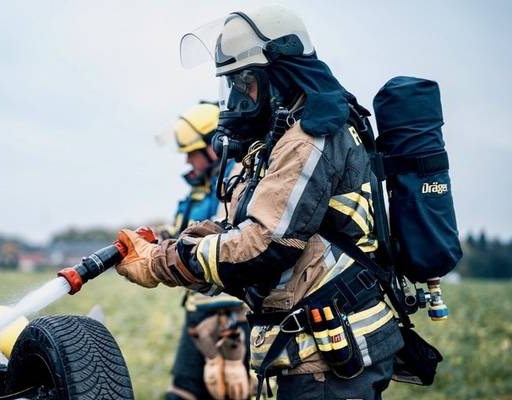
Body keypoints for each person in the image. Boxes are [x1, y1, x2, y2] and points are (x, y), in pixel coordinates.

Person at [115, 5, 403, 399]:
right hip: (311, 357)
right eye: (232, 84)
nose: (238, 97)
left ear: (280, 77)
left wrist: (159, 262)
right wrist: (165, 250)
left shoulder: (308, 140)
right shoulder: (282, 139)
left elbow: (263, 245)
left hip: (327, 365)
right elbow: (236, 229)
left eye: (246, 82)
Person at [163, 102, 252, 400]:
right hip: (197, 314)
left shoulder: (237, 185)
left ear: (214, 147)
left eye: (192, 152)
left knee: (235, 392)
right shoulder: (197, 192)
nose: (187, 160)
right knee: (182, 392)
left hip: (235, 318)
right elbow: (179, 235)